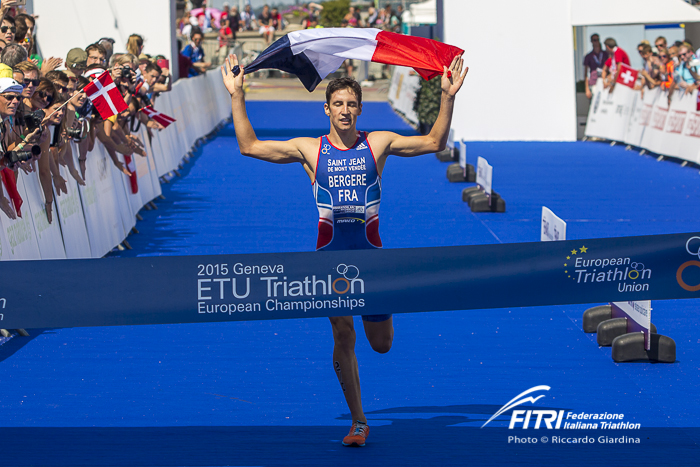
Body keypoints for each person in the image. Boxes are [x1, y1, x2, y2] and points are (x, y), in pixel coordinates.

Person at [221, 52, 468, 447]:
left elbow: (434, 141)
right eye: (338, 104)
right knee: (342, 332)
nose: (345, 111)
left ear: (360, 108)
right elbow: (250, 147)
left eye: (352, 104)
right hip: (331, 260)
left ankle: (368, 380)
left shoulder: (379, 142)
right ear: (327, 109)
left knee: (382, 345)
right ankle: (358, 421)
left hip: (372, 259)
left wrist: (448, 97)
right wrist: (237, 94)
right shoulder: (309, 149)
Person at [583, 33, 608, 99]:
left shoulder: (605, 54)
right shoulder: (588, 56)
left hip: (604, 81)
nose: (596, 42)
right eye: (594, 40)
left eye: (597, 40)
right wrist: (587, 89)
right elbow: (586, 73)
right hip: (594, 82)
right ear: (591, 41)